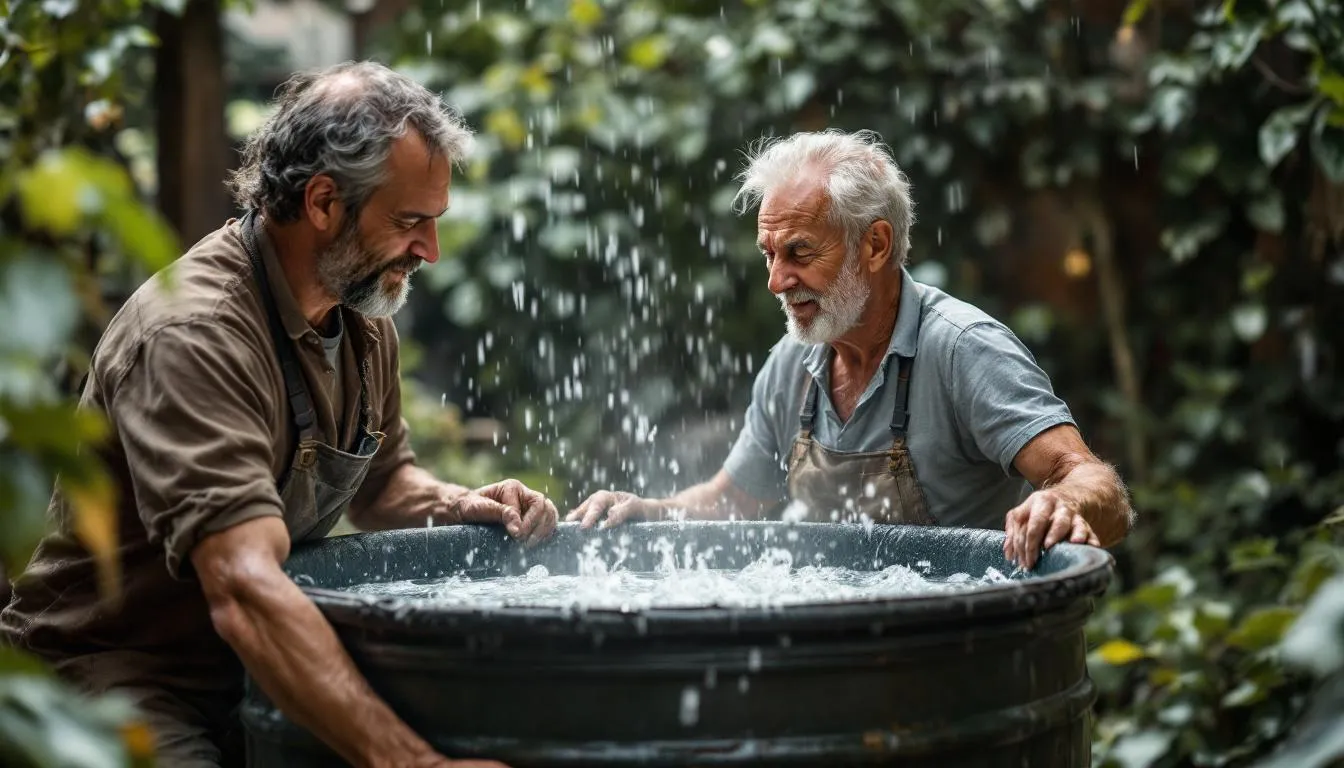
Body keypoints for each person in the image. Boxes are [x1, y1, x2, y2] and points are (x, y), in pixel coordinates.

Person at [1, 61, 552, 768]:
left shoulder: (359, 311)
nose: (430, 252)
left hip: (252, 669)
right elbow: (240, 587)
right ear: (323, 203)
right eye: (411, 222)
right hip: (116, 679)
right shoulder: (193, 334)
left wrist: (465, 504)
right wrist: (412, 764)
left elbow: (385, 487)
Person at [568, 129, 1133, 567]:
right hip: (835, 651)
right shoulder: (792, 365)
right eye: (769, 255)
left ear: (876, 245)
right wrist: (649, 512)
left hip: (960, 652)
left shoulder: (964, 351)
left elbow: (1097, 484)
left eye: (799, 252)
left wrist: (1066, 503)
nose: (776, 280)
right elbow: (734, 499)